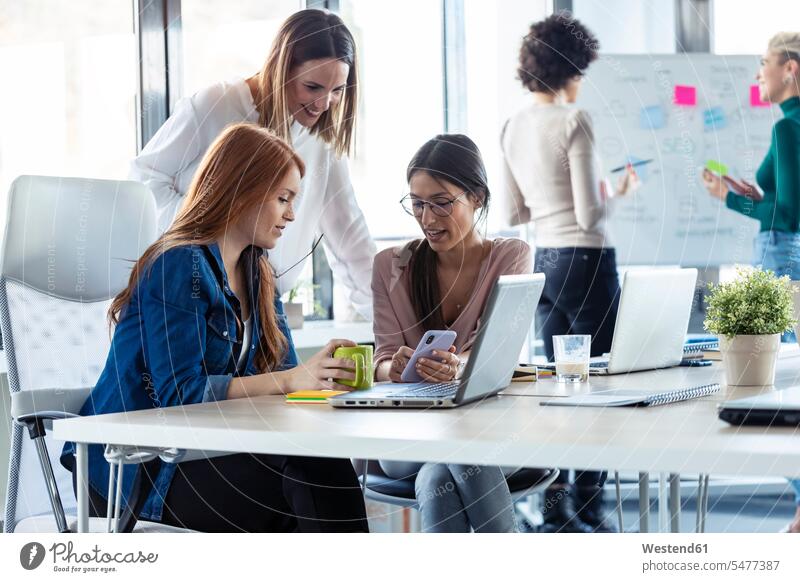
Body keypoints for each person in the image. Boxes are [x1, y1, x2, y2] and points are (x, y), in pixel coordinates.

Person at [60, 124, 369, 532]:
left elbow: (284, 382)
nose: (292, 215)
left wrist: (326, 383)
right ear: (242, 191)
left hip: (210, 452)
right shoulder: (177, 265)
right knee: (309, 473)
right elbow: (178, 394)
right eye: (282, 199)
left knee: (320, 460)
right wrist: (292, 380)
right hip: (147, 468)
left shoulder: (259, 274)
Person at [130, 9, 376, 318]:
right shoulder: (216, 104)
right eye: (312, 87)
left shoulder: (321, 142)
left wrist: (390, 330)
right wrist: (212, 231)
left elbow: (351, 240)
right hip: (191, 294)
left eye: (337, 90)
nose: (324, 104)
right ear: (282, 69)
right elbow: (143, 179)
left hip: (260, 307)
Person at [501, 13, 637, 533]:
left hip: (545, 263)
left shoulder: (512, 125)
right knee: (597, 385)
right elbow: (590, 215)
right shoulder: (574, 120)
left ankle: (555, 514)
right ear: (572, 68)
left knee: (559, 387)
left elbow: (516, 213)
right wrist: (615, 193)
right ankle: (590, 511)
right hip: (587, 258)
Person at [371, 134, 532, 533]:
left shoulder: (511, 256)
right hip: (410, 430)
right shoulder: (390, 266)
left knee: (437, 475)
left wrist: (457, 368)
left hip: (486, 428)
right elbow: (381, 360)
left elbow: (499, 352)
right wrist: (394, 367)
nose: (427, 218)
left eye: (442, 202)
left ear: (477, 197)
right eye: (417, 203)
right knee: (460, 451)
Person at [702, 31, 800, 534]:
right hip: (789, 250)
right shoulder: (789, 126)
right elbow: (781, 193)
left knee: (774, 384)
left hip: (784, 253)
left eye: (765, 63)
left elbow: (786, 214)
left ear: (791, 69)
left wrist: (727, 197)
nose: (758, 73)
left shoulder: (788, 128)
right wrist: (749, 191)